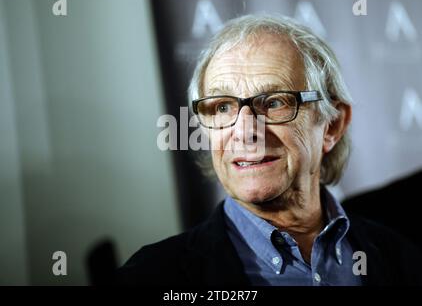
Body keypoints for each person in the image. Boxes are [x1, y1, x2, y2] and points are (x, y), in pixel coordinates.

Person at [116, 15, 422, 286]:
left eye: (275, 102)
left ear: (331, 125)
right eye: (222, 107)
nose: (246, 131)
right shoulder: (151, 276)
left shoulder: (403, 258)